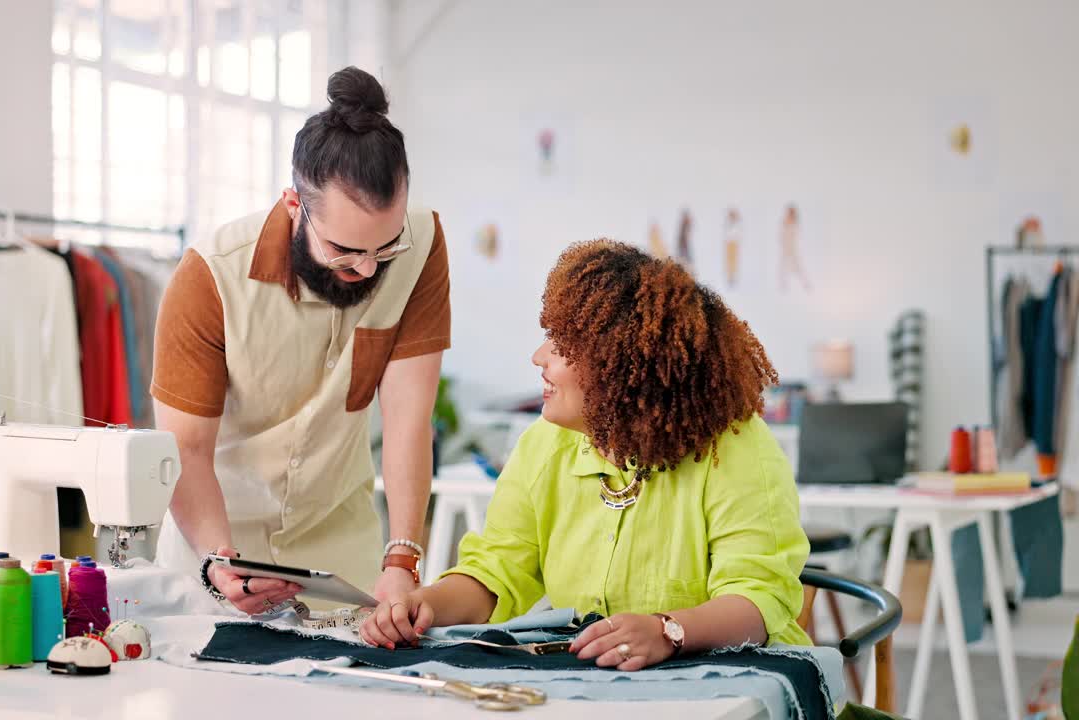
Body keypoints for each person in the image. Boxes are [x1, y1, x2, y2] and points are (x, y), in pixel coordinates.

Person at [360, 240, 810, 669]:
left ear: (625, 365)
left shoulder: (734, 449)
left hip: (744, 682)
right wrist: (425, 605)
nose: (539, 357)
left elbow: (758, 601)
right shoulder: (543, 444)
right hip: (602, 682)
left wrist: (670, 631)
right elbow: (496, 572)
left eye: (562, 344)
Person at [150, 67, 450, 614]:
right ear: (295, 204)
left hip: (345, 565)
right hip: (218, 559)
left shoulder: (422, 246)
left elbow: (410, 420)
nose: (366, 268)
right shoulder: (211, 276)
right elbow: (185, 449)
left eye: (384, 248)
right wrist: (221, 564)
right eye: (343, 249)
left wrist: (402, 559)